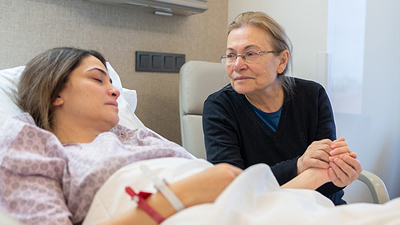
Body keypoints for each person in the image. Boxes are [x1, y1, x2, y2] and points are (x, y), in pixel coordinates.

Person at [0, 47, 351, 225]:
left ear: (282, 61)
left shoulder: (142, 139)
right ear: (54, 92)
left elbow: (245, 200)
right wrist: (174, 197)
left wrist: (317, 177)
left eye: (112, 81)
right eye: (98, 79)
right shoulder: (36, 145)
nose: (115, 92)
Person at [202, 11, 362, 205]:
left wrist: (340, 175)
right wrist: (299, 165)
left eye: (250, 54)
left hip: (319, 208)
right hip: (259, 214)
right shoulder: (219, 107)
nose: (237, 65)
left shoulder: (313, 95)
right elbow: (234, 190)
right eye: (230, 55)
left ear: (282, 61)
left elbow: (325, 178)